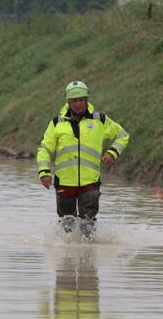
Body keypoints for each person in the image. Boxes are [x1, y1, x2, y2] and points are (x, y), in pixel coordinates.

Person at [36, 80, 129, 239]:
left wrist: (112, 153)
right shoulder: (57, 123)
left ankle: (89, 260)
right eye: (74, 101)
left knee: (88, 225)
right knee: (67, 227)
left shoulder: (100, 120)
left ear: (87, 100)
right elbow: (44, 149)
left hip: (90, 183)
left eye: (81, 100)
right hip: (65, 183)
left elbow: (122, 136)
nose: (78, 104)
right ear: (68, 102)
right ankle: (67, 261)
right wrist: (44, 172)